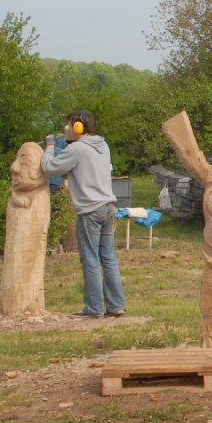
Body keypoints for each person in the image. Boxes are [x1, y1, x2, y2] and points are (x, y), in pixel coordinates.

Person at [40, 110, 126, 319]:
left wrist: (50, 147)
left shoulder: (77, 149)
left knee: (90, 260)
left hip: (89, 211)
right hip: (108, 206)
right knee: (108, 259)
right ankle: (116, 306)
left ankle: (93, 309)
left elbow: (49, 167)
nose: (65, 129)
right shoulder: (102, 145)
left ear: (78, 127)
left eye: (68, 125)